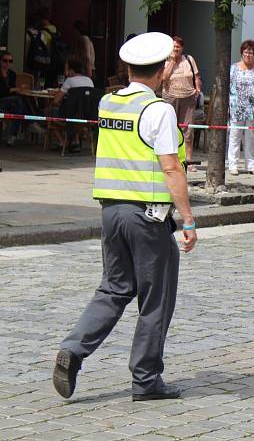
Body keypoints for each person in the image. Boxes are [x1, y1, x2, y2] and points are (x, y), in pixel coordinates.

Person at [52, 32, 198, 402]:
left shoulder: (109, 102)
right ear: (164, 69)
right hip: (148, 217)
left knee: (114, 288)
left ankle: (74, 348)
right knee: (155, 298)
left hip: (111, 212)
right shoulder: (158, 110)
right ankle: (146, 380)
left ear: (129, 67)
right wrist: (188, 219)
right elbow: (171, 169)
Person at [162, 36, 202, 170]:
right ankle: (171, 160)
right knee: (170, 129)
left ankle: (188, 161)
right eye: (173, 47)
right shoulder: (166, 61)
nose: (176, 49)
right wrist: (172, 61)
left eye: (178, 47)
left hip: (188, 98)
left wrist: (198, 89)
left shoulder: (189, 59)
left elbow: (196, 76)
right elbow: (164, 77)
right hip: (170, 98)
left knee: (187, 130)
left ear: (182, 48)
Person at [227, 40, 254, 175]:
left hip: (253, 109)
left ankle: (251, 165)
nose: (248, 55)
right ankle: (233, 164)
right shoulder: (233, 68)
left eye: (251, 53)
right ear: (242, 53)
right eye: (246, 52)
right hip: (236, 108)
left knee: (251, 138)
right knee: (235, 136)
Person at [52, 58, 95, 152]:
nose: (65, 71)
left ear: (71, 70)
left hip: (70, 116)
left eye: (66, 69)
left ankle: (62, 142)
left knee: (50, 112)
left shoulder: (69, 81)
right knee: (77, 111)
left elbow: (56, 100)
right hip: (87, 116)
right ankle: (75, 141)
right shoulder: (89, 81)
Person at [0, 50, 27, 146]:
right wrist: (15, 89)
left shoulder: (12, 74)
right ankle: (31, 122)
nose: (8, 63)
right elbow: (2, 91)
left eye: (10, 61)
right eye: (5, 61)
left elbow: (10, 90)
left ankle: (12, 136)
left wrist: (17, 90)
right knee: (18, 100)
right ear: (0, 61)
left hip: (9, 101)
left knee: (18, 106)